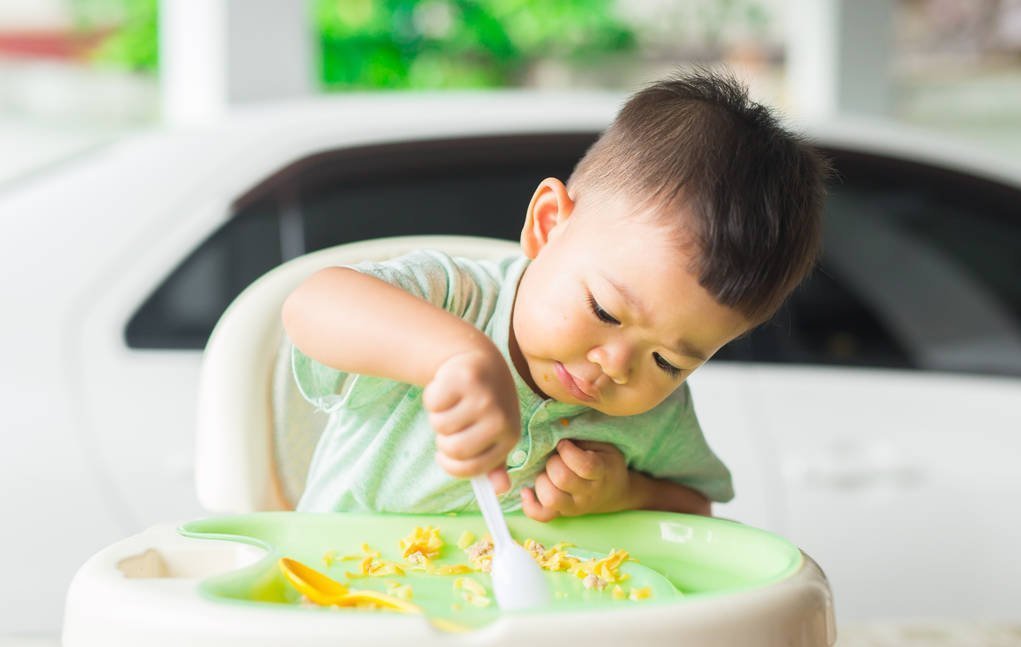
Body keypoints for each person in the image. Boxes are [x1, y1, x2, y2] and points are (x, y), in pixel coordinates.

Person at [281, 69, 828, 521]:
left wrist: (626, 493)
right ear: (547, 224)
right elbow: (312, 304)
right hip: (342, 595)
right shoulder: (455, 299)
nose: (616, 365)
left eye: (668, 362)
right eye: (605, 311)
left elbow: (695, 510)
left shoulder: (656, 417)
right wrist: (454, 357)